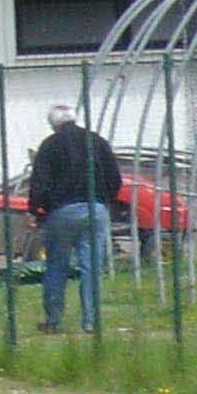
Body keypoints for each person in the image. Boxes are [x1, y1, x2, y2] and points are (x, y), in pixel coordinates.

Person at [26, 101, 123, 335]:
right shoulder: (96, 141)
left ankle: (53, 320)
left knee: (56, 266)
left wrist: (35, 209)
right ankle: (91, 321)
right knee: (91, 267)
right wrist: (104, 200)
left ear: (53, 124)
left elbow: (40, 183)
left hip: (62, 212)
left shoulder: (49, 146)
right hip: (95, 208)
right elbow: (115, 179)